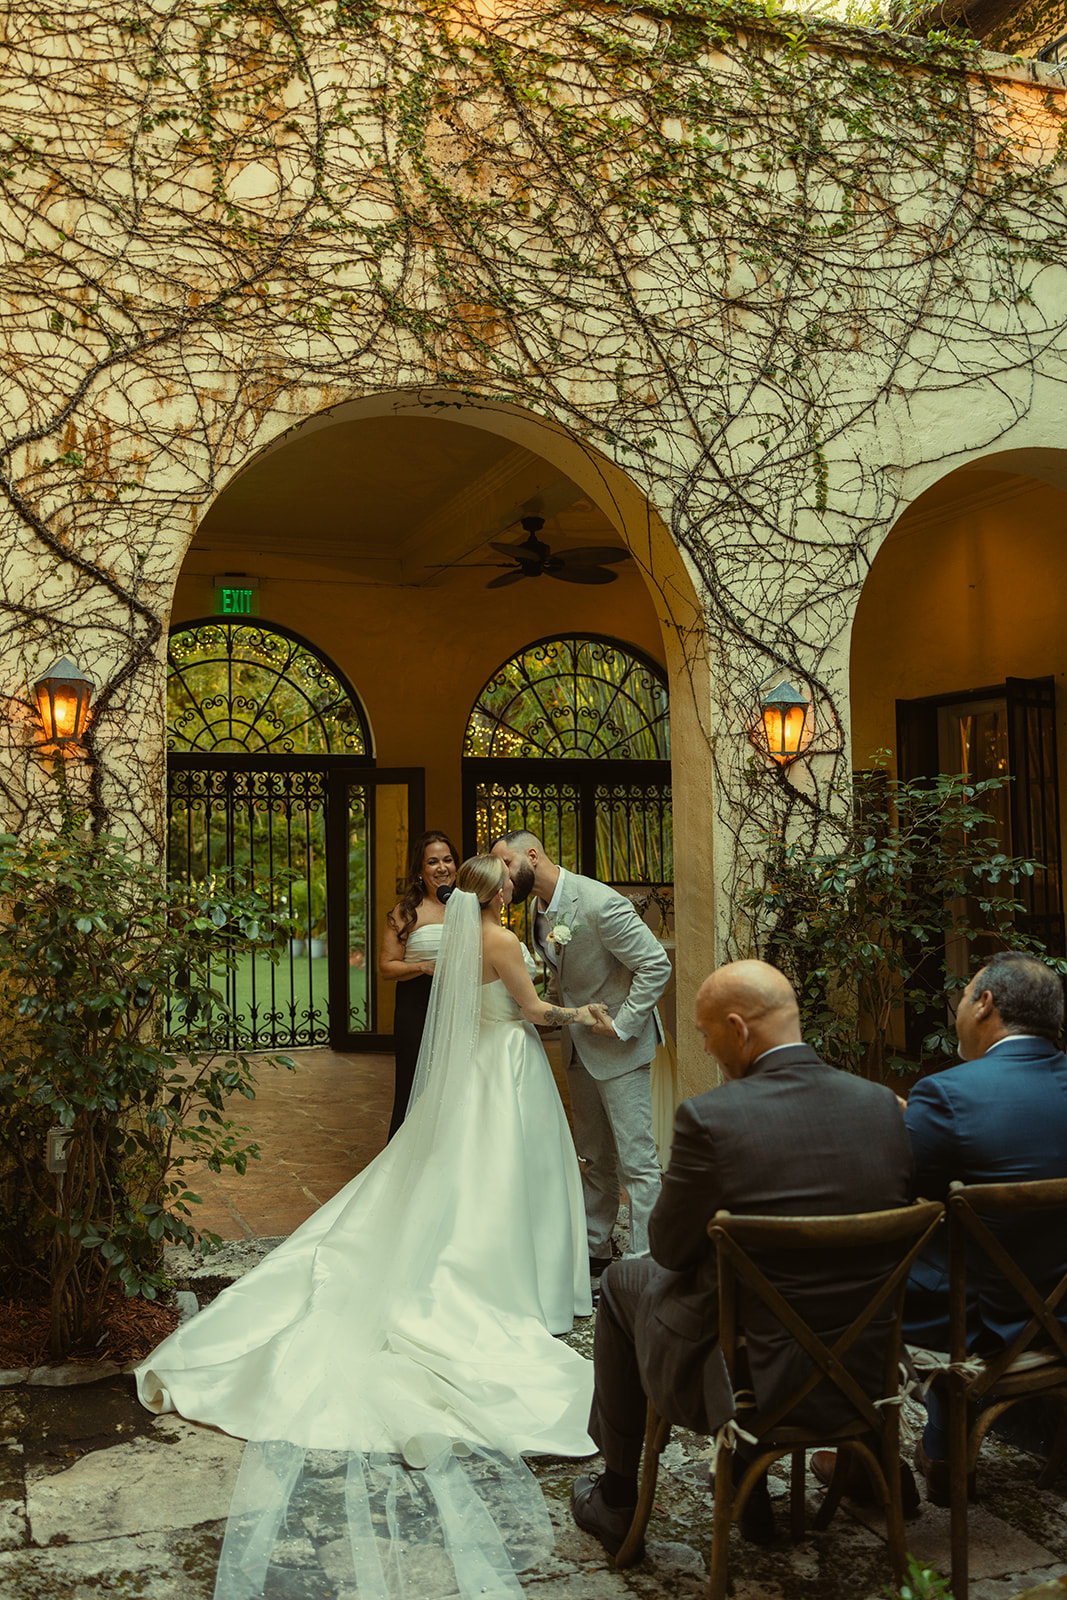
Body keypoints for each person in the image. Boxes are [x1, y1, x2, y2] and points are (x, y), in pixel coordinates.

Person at [136, 855, 606, 1595]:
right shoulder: (504, 944)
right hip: (507, 1070)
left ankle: (484, 1265)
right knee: (508, 1182)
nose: (516, 878)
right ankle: (523, 1284)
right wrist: (581, 1011)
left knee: (461, 1180)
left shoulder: (450, 938)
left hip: (468, 1076)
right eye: (510, 875)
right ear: (501, 892)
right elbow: (532, 1015)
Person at [569, 959, 914, 1557]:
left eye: (705, 1033)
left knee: (626, 1278)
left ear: (739, 1028)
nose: (703, 1046)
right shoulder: (882, 1105)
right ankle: (861, 1462)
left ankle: (619, 1495)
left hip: (750, 1374)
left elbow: (673, 1250)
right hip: (865, 1361)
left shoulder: (713, 1118)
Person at [901, 949, 1067, 1505]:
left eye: (963, 996)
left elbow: (899, 1192)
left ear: (985, 1004)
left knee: (868, 1268)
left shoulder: (947, 1094)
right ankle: (944, 1444)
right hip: (1061, 1309)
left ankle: (857, 1448)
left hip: (982, 1324)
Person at [490, 831, 671, 1271]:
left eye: (507, 864)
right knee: (593, 1155)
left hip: (619, 1048)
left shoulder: (598, 902)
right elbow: (563, 976)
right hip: (577, 1048)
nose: (504, 877)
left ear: (532, 855)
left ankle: (645, 1258)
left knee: (637, 1159)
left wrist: (624, 1024)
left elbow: (655, 964)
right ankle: (596, 1246)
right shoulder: (536, 910)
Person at [378, 829, 458, 1139]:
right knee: (415, 1083)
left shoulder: (469, 906)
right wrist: (423, 966)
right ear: (420, 870)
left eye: (448, 860)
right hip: (416, 1007)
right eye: (433, 861)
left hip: (458, 1005)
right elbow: (386, 967)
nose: (442, 868)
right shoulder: (406, 912)